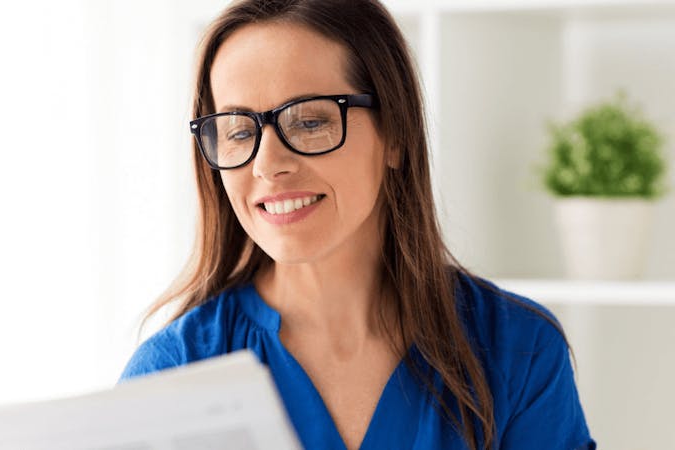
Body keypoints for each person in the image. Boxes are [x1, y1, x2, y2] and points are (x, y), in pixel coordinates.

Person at [120, 1, 596, 449]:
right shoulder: (173, 374)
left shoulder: (517, 349)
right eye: (239, 131)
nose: (267, 165)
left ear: (396, 136)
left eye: (309, 122)